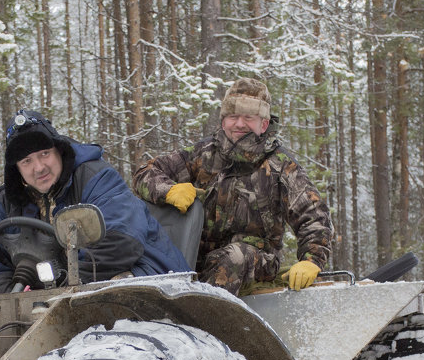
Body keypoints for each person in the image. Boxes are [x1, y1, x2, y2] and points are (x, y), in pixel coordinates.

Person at [132, 77, 334, 295]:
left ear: (263, 124)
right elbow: (144, 173)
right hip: (195, 258)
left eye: (248, 117)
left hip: (253, 260)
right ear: (223, 121)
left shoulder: (281, 166)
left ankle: (202, 322)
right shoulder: (202, 154)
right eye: (233, 117)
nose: (239, 124)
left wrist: (311, 260)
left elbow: (314, 217)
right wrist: (168, 190)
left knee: (234, 257)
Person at [0, 110, 189, 294]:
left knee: (106, 295)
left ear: (59, 150)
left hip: (150, 277)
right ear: (16, 169)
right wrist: (10, 293)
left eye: (44, 154)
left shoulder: (95, 177)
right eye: (27, 161)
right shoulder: (8, 201)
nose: (39, 168)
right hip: (65, 294)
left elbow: (122, 240)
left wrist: (62, 284)